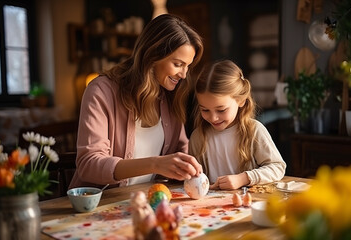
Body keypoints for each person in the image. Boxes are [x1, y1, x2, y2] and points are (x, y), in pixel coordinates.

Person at [69, 14, 204, 189]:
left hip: (147, 200)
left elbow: (180, 148)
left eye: (188, 66)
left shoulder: (171, 94)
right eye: (178, 64)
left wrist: (189, 168)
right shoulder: (101, 91)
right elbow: (89, 164)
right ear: (152, 55)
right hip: (99, 205)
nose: (184, 74)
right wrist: (155, 164)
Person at [189, 60, 286, 190]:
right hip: (212, 206)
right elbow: (194, 179)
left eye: (221, 110)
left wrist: (244, 178)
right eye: (205, 110)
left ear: (240, 101)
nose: (213, 117)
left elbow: (278, 167)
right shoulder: (198, 137)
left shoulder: (254, 131)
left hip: (247, 205)